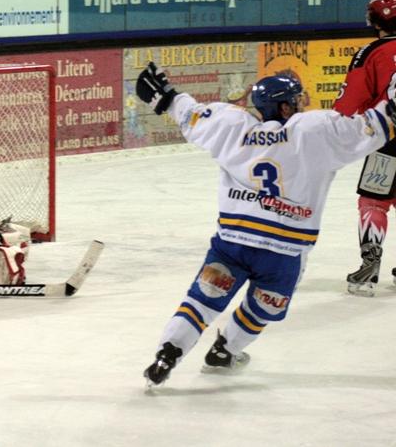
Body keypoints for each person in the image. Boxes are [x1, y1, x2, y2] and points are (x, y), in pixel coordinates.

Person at [134, 62, 396, 388]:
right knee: (261, 310)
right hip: (282, 255)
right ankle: (225, 351)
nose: (300, 104)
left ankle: (167, 354)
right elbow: (372, 127)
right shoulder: (313, 132)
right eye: (295, 100)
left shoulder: (231, 126)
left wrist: (168, 97)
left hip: (231, 245)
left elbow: (190, 115)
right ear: (284, 107)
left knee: (202, 302)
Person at [333, 0, 396, 297]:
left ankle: (369, 269)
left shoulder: (371, 52)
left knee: (373, 202)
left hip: (388, 138)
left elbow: (348, 103)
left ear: (374, 20)